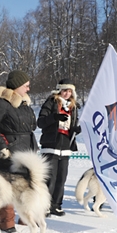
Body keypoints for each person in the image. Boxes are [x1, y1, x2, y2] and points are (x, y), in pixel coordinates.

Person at [0, 70, 38, 233]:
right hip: (10, 151)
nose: (28, 89)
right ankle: (6, 222)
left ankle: (25, 218)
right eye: (26, 86)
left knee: (26, 185)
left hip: (27, 148)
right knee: (7, 187)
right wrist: (3, 146)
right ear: (16, 86)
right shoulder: (2, 103)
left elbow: (32, 126)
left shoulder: (24, 103)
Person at [37, 79, 82, 216]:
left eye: (70, 91)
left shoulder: (73, 107)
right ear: (59, 91)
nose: (67, 93)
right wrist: (55, 117)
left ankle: (56, 205)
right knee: (50, 178)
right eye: (64, 90)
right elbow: (40, 122)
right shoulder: (51, 102)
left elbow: (72, 125)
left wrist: (75, 129)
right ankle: (43, 206)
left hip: (66, 145)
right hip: (51, 144)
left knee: (61, 178)